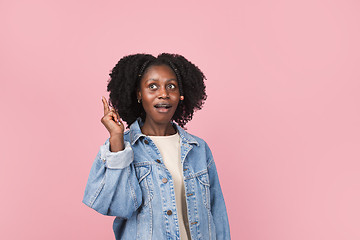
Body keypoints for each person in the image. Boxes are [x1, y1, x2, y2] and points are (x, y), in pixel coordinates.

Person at [83, 53, 231, 240]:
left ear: (181, 94)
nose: (163, 93)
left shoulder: (199, 149)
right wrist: (117, 139)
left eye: (171, 86)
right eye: (152, 86)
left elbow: (217, 214)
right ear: (139, 93)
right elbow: (119, 206)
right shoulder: (122, 147)